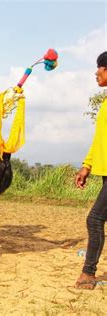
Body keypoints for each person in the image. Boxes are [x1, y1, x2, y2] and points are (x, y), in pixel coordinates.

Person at [74, 51, 107, 290]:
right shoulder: (105, 104)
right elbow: (100, 140)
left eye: (100, 68)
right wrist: (87, 165)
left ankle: (88, 273)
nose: (96, 72)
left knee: (94, 219)